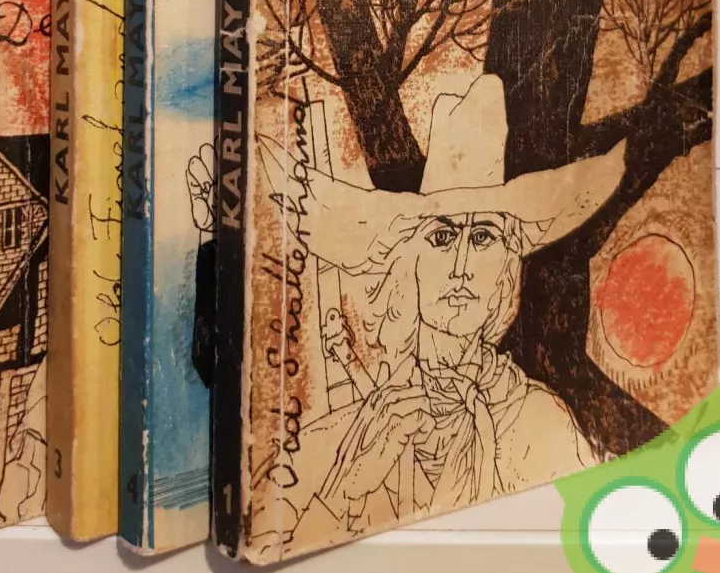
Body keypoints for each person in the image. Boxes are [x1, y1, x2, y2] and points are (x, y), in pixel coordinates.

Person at [253, 75, 626, 549]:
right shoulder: (338, 435)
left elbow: (580, 553)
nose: (462, 266)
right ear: (409, 260)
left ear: (507, 267)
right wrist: (345, 490)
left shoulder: (541, 423)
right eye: (442, 237)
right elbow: (279, 564)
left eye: (483, 237)